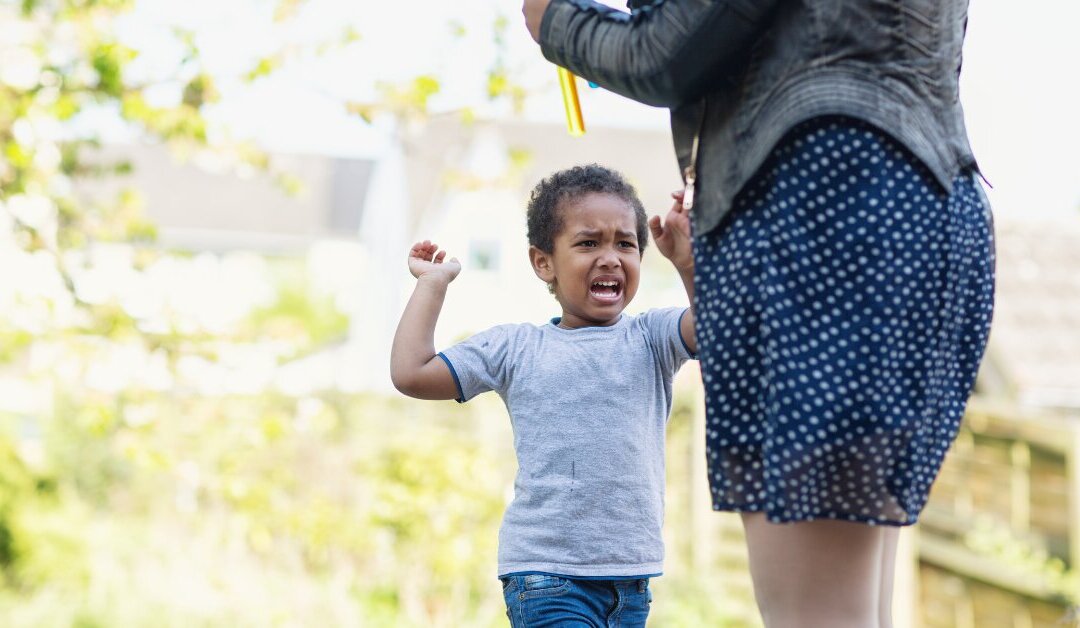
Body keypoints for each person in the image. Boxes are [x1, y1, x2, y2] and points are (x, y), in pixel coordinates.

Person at [522, 2, 995, 627]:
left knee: (817, 615)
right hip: (924, 202)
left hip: (823, 203)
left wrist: (550, 19)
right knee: (856, 606)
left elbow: (664, 52)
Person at [390, 164, 698, 627]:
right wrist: (431, 286)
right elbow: (412, 373)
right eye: (588, 243)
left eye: (625, 243)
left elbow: (719, 328)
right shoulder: (516, 348)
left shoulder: (653, 338)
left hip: (631, 581)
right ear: (543, 262)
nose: (611, 257)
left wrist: (690, 264)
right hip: (547, 578)